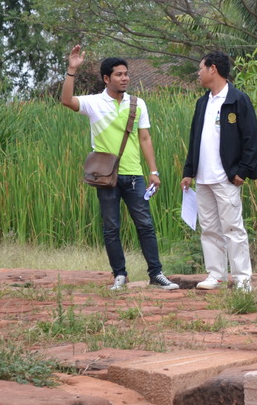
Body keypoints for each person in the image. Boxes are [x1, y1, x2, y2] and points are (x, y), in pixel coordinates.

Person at [61, 45, 179, 291]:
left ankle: (156, 274)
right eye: (119, 74)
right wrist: (72, 70)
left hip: (134, 175)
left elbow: (145, 138)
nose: (125, 78)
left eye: (126, 74)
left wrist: (153, 171)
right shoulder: (94, 103)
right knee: (111, 228)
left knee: (145, 225)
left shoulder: (137, 103)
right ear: (106, 78)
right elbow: (66, 100)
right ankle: (120, 276)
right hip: (106, 176)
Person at [180, 52, 257, 292]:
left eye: (200, 68)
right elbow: (194, 138)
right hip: (203, 178)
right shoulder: (202, 102)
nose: (198, 73)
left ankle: (242, 279)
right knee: (209, 229)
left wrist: (243, 171)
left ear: (213, 69)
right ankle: (216, 275)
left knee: (233, 229)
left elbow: (251, 138)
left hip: (227, 177)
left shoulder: (238, 100)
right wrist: (189, 171)